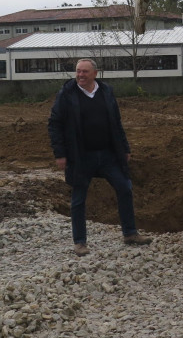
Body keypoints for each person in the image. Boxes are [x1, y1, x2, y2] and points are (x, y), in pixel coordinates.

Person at [48, 58, 152, 256]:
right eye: (78, 71)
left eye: (85, 72)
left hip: (107, 155)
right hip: (80, 156)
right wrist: (60, 153)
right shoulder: (67, 94)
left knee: (125, 187)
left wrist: (124, 148)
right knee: (78, 198)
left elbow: (116, 122)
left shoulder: (106, 92)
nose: (80, 75)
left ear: (95, 73)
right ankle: (80, 242)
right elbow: (54, 124)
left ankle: (130, 233)